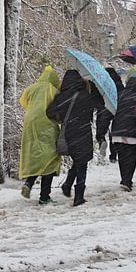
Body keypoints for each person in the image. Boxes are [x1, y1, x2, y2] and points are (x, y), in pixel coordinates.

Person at [47, 69, 104, 206]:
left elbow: (50, 112)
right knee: (82, 162)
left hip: (69, 132)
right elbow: (100, 104)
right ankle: (79, 194)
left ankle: (67, 184)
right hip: (83, 131)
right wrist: (94, 87)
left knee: (78, 159)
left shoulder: (61, 97)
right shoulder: (85, 95)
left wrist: (62, 117)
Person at [18, 66, 61, 205]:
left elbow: (23, 101)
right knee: (50, 159)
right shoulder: (53, 90)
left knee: (35, 155)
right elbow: (58, 109)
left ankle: (29, 183)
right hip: (46, 124)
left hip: (30, 123)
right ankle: (44, 196)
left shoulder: (32, 88)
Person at [96, 75, 136, 192]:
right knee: (131, 157)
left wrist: (101, 132)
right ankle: (127, 180)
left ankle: (125, 178)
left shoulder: (119, 96)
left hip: (118, 132)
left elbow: (107, 114)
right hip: (133, 133)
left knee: (122, 157)